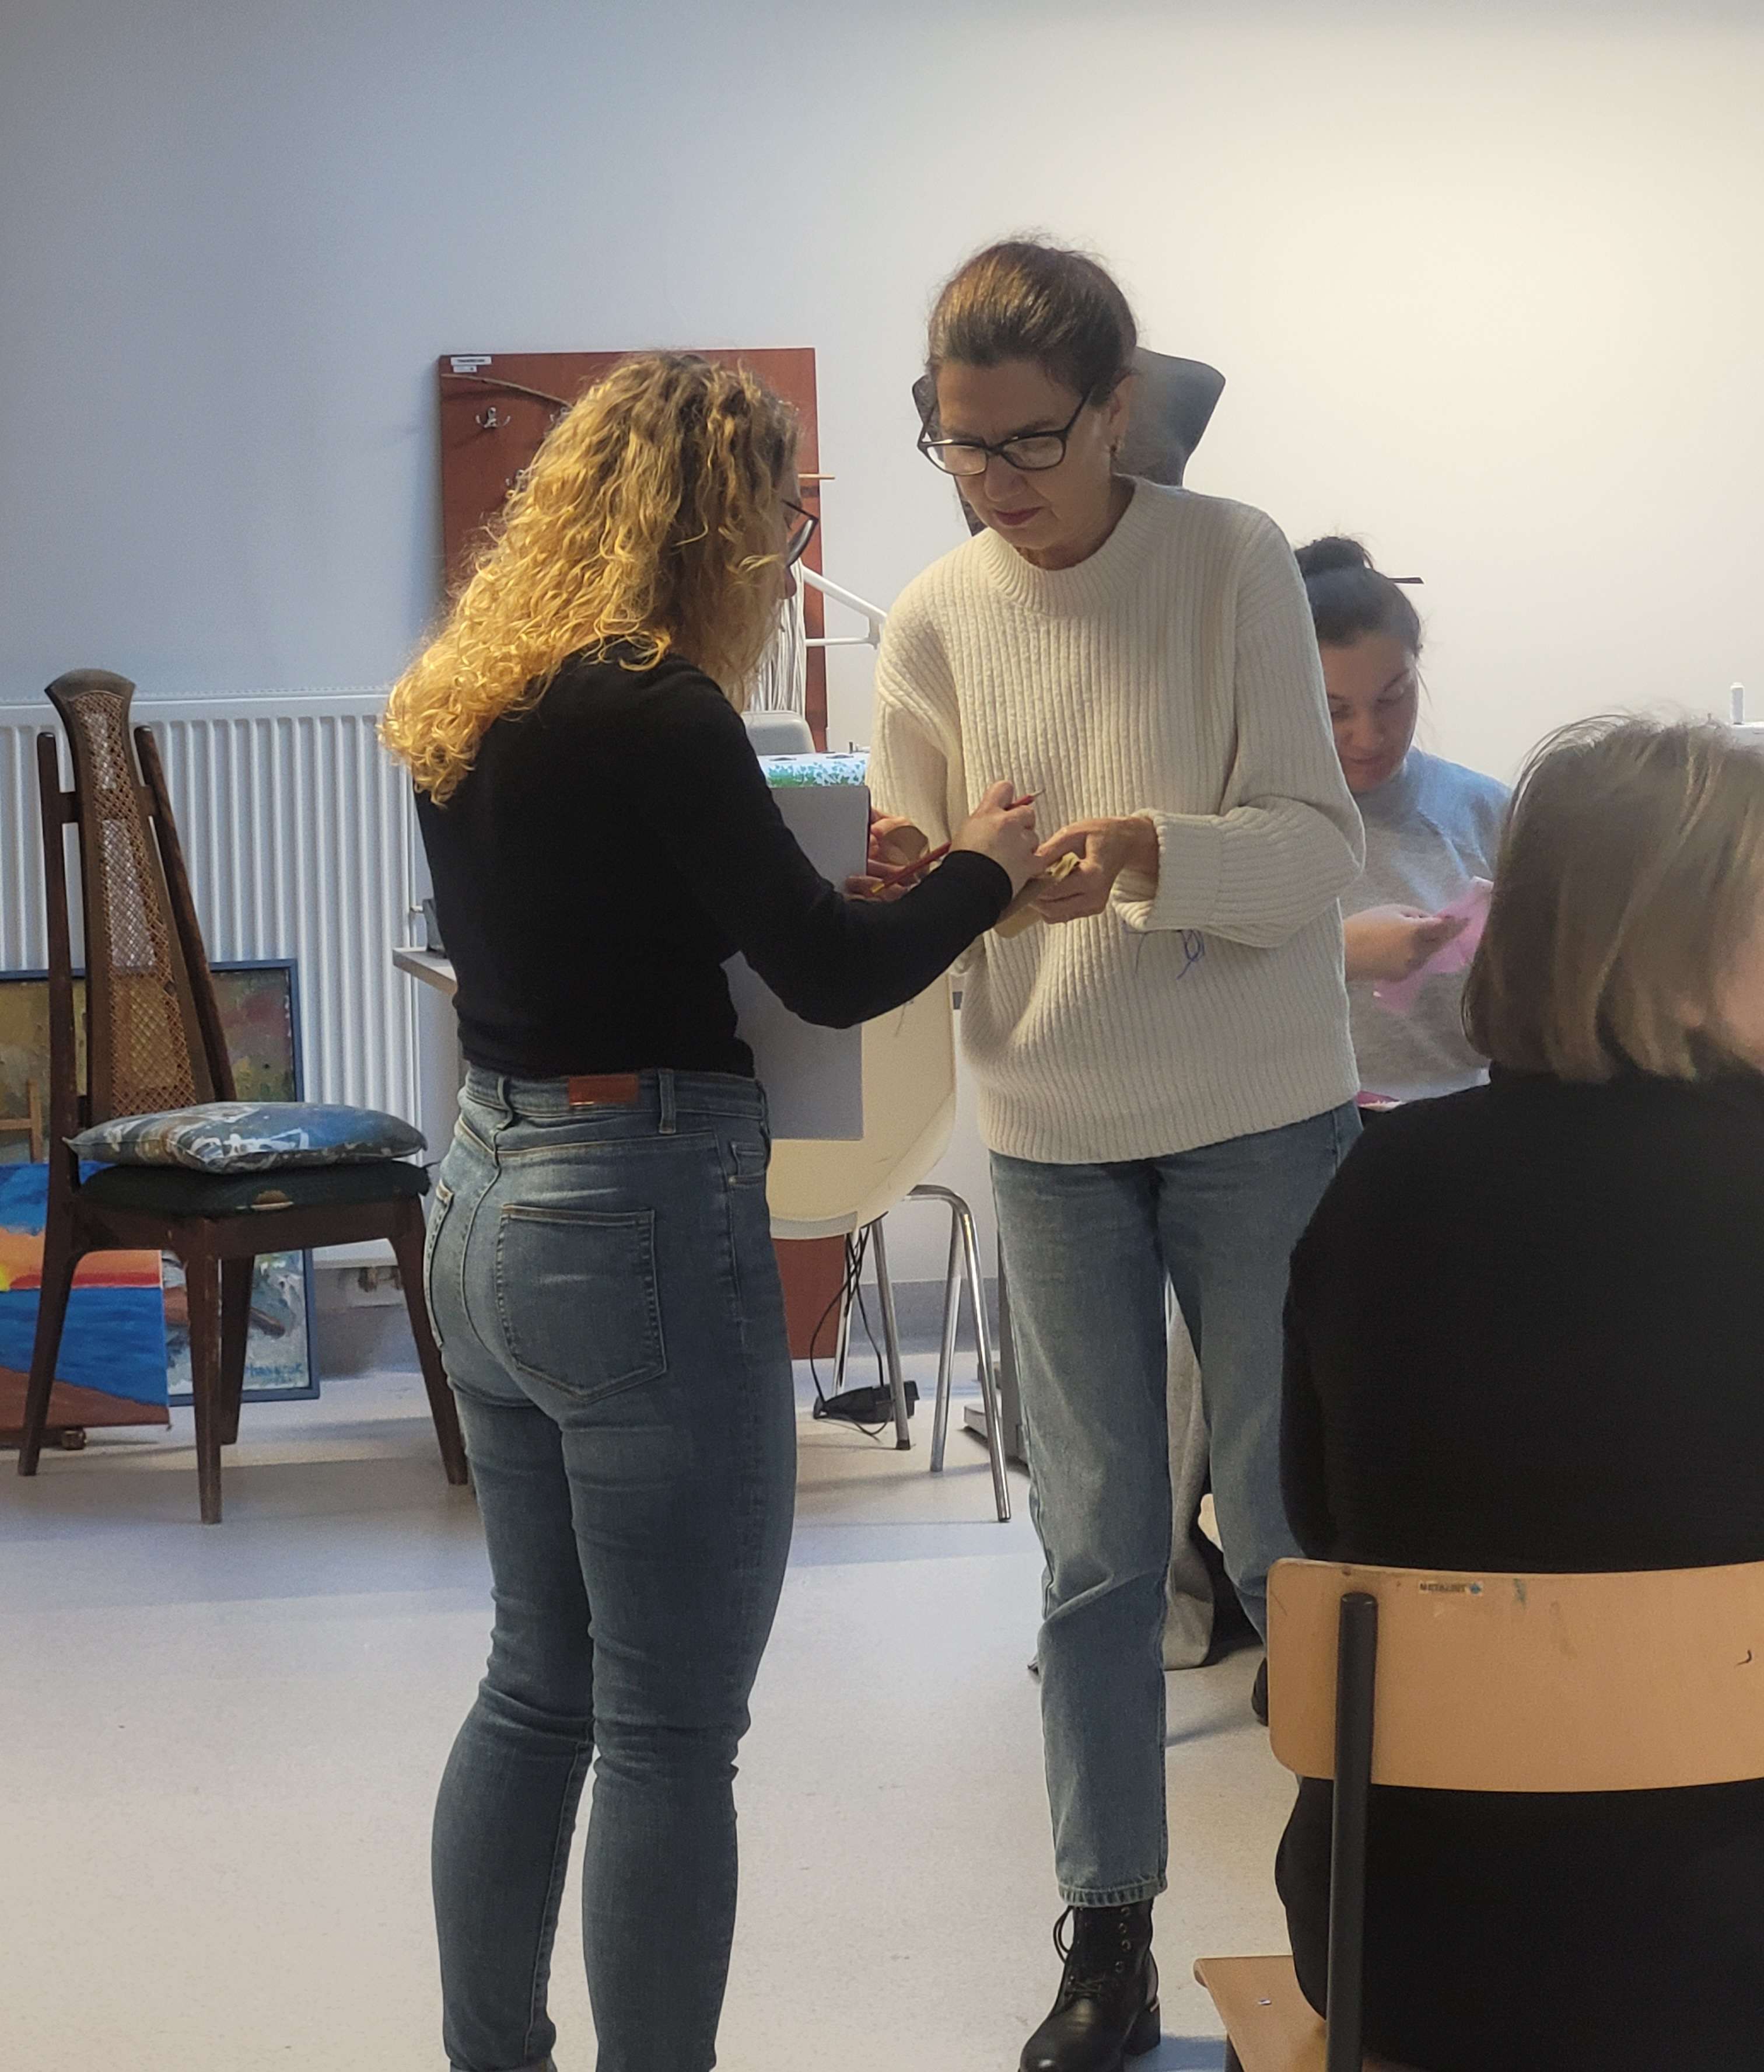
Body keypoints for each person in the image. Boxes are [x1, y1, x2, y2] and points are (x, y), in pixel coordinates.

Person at [380, 352, 1041, 2072]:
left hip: (487, 1198)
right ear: (722, 523)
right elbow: (829, 974)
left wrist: (851, 883)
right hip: (637, 1223)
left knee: (535, 1687)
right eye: (782, 521)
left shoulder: (468, 693)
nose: (786, 553)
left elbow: (623, 916)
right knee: (670, 1729)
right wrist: (987, 870)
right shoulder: (660, 704)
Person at [867, 239, 1364, 2072]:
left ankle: (1357, 1908)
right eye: (961, 441)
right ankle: (1109, 1940)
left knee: (1292, 1532)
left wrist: (1148, 850)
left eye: (1030, 439)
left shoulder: (1230, 558)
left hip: (1260, 1111)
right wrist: (947, 883)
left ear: (1116, 408)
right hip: (1055, 1125)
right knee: (1093, 1551)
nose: (996, 479)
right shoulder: (934, 615)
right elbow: (922, 889)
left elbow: (1318, 849)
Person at [1279, 716, 1764, 2072]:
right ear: (1683, 948)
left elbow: (1324, 1520)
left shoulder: (1384, 1183)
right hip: (1735, 1959)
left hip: (1408, 1946)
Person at [1297, 536, 1507, 1103]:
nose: (1369, 736)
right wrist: (1340, 953)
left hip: (1465, 1122)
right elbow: (1190, 995)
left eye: (1394, 697)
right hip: (1309, 1131)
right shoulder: (1254, 825)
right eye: (1334, 710)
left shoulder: (1488, 812)